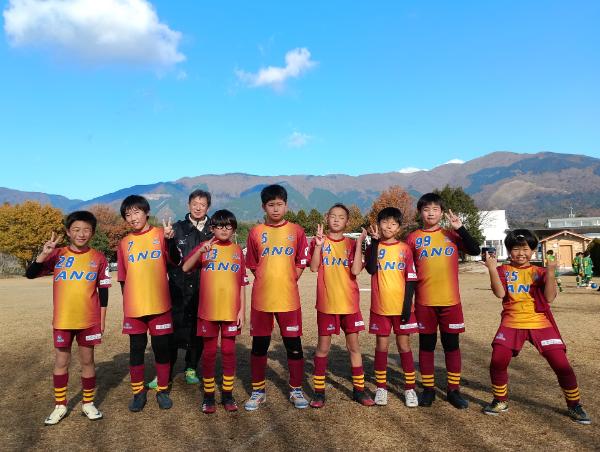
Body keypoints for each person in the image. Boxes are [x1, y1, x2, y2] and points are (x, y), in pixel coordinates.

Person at [482, 229, 591, 424]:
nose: (521, 253)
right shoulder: (503, 270)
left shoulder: (539, 272)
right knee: (498, 360)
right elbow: (500, 294)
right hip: (512, 322)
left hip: (540, 323)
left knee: (561, 364)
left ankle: (574, 405)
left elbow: (549, 298)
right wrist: (491, 268)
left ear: (533, 251)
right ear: (509, 250)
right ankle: (500, 401)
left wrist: (551, 272)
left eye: (526, 249)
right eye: (516, 249)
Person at [26, 211, 110, 425]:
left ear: (92, 232)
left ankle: (88, 403)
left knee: (88, 361)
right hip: (63, 320)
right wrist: (43, 254)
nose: (81, 234)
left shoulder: (99, 258)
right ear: (68, 232)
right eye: (76, 229)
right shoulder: (58, 254)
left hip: (89, 320)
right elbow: (30, 273)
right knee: (61, 361)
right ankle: (60, 405)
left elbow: (104, 292)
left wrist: (102, 320)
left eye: (86, 230)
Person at [406, 193, 480, 409]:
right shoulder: (413, 238)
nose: (431, 213)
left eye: (435, 209)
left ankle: (453, 390)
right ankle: (428, 389)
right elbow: (407, 272)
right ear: (420, 213)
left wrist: (461, 228)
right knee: (426, 346)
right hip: (425, 302)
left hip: (450, 301)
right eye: (426, 209)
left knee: (451, 345)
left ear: (441, 213)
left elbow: (475, 250)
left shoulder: (451, 235)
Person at [244, 184, 310, 411]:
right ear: (264, 207)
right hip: (262, 299)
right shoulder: (255, 232)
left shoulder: (297, 231)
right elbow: (253, 264)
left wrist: (290, 278)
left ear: (286, 206)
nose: (275, 209)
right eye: (270, 205)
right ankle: (258, 391)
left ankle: (296, 389)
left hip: (288, 299)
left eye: (279, 204)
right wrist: (266, 279)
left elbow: (302, 260)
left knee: (294, 346)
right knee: (259, 346)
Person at [117, 195, 180, 412]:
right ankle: (138, 393)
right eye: (128, 215)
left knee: (161, 349)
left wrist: (170, 241)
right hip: (134, 307)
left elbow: (176, 260)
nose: (133, 218)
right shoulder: (124, 243)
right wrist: (127, 303)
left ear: (146, 212)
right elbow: (123, 278)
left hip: (159, 304)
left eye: (136, 212)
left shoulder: (162, 234)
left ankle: (162, 390)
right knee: (136, 349)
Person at [308, 203, 374, 408]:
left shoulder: (351, 244)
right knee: (322, 348)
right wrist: (318, 246)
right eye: (333, 216)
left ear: (347, 222)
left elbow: (355, 271)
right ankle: (319, 392)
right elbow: (313, 267)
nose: (336, 220)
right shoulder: (319, 241)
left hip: (349, 304)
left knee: (354, 347)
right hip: (326, 304)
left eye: (341, 217)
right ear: (327, 218)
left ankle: (359, 390)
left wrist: (360, 243)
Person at [182, 209, 248, 413]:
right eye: (219, 226)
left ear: (233, 229)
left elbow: (242, 283)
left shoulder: (237, 251)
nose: (224, 230)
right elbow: (185, 267)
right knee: (210, 352)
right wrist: (200, 252)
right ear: (212, 228)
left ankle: (227, 394)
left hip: (231, 311)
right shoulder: (206, 246)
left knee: (228, 351)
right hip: (208, 311)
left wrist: (242, 311)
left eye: (228, 226)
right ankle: (209, 396)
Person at [149, 189, 213, 389]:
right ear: (188, 205)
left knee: (197, 331)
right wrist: (168, 239)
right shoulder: (176, 228)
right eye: (195, 204)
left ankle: (191, 367)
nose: (198, 208)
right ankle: (165, 372)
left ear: (208, 207)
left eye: (202, 204)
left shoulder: (214, 230)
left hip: (203, 287)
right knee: (171, 331)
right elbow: (170, 259)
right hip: (177, 287)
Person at [365, 207, 419, 407]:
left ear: (399, 227)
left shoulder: (405, 249)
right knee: (381, 347)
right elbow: (371, 268)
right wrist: (374, 242)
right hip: (380, 308)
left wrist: (406, 307)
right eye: (385, 222)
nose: (388, 226)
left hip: (402, 308)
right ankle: (381, 388)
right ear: (379, 224)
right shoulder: (374, 247)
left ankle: (410, 388)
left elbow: (411, 279)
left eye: (393, 223)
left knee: (404, 346)